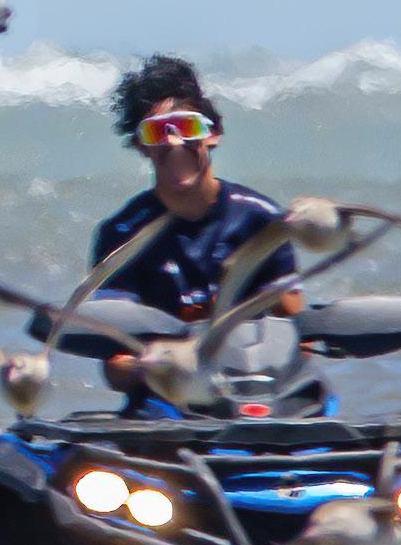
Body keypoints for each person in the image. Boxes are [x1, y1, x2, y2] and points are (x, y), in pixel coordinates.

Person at [70, 54, 298, 399]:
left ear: (214, 134)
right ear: (141, 146)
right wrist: (151, 365)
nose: (174, 143)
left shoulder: (262, 220)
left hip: (258, 396)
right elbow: (115, 367)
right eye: (157, 132)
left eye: (187, 128)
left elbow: (298, 332)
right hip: (166, 405)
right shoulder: (121, 234)